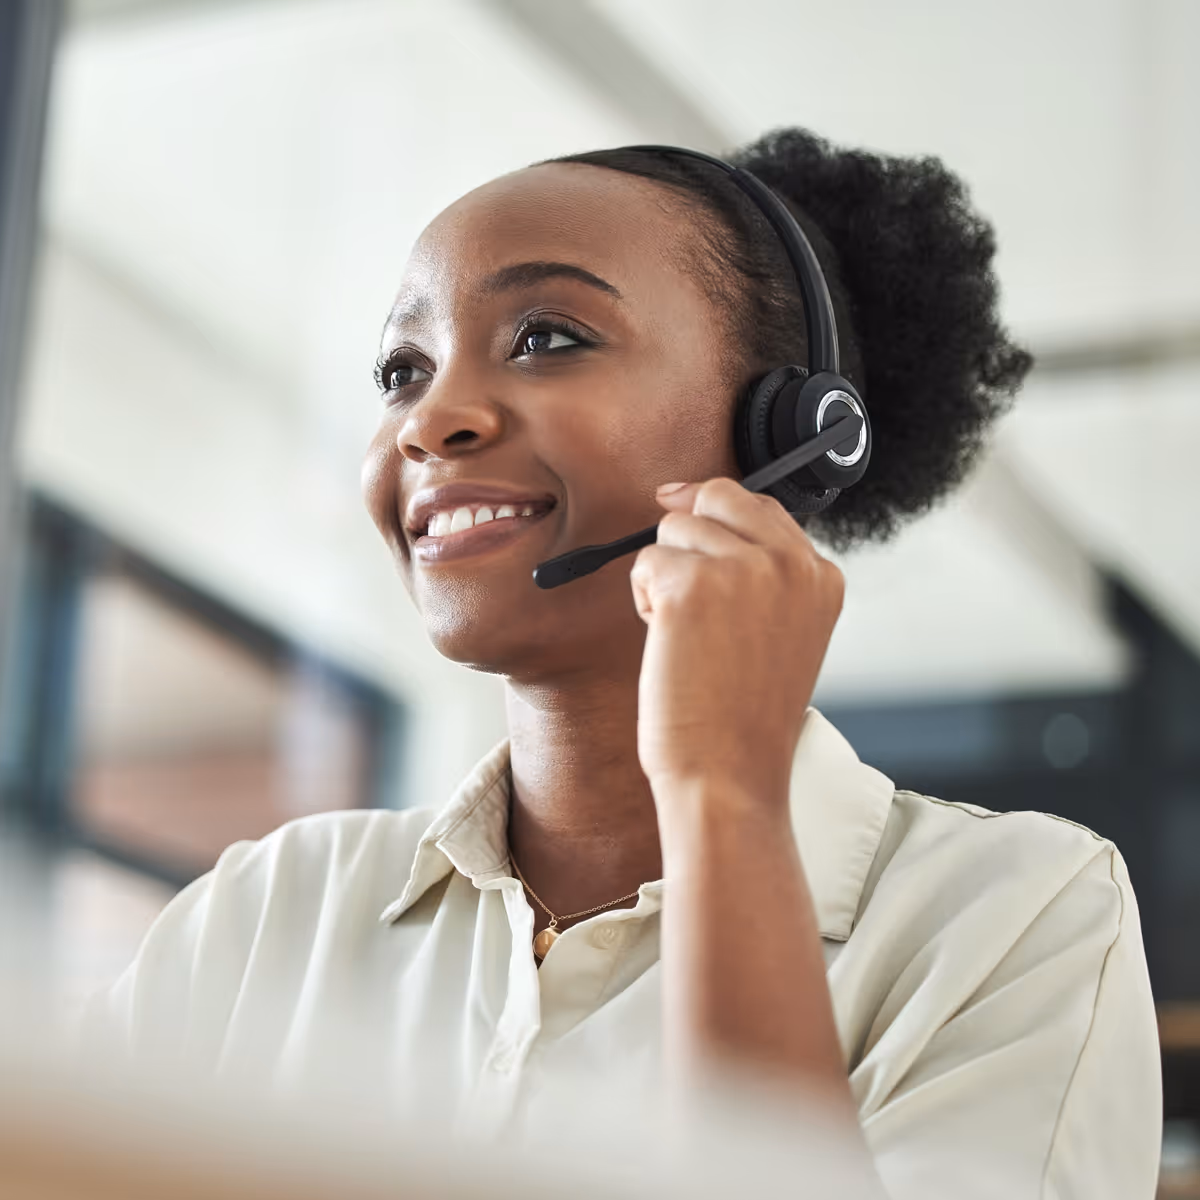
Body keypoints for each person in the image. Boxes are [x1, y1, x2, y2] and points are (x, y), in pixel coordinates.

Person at [85, 130, 1161, 1197]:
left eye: (548, 337)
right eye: (400, 370)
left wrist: (724, 797)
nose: (432, 420)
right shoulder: (272, 910)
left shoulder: (1013, 917)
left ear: (792, 434)